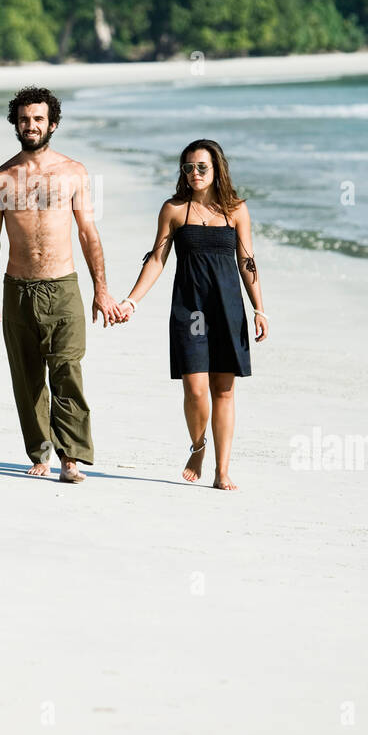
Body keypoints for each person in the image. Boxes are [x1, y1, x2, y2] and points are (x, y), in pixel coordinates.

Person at [0, 86, 125, 483]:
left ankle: (71, 457)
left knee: (67, 372)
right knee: (27, 378)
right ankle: (41, 452)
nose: (31, 125)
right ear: (16, 123)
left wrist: (102, 290)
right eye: (25, 119)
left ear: (53, 124)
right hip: (18, 289)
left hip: (63, 287)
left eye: (39, 119)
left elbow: (88, 232)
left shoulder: (73, 173)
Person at [117, 139, 268, 490]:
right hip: (191, 310)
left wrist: (260, 308)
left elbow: (247, 262)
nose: (195, 173)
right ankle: (198, 446)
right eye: (188, 167)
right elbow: (157, 259)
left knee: (224, 391)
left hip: (227, 307)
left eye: (202, 167)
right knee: (196, 390)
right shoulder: (174, 209)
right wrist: (132, 301)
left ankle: (222, 471)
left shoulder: (236, 210)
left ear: (217, 170)